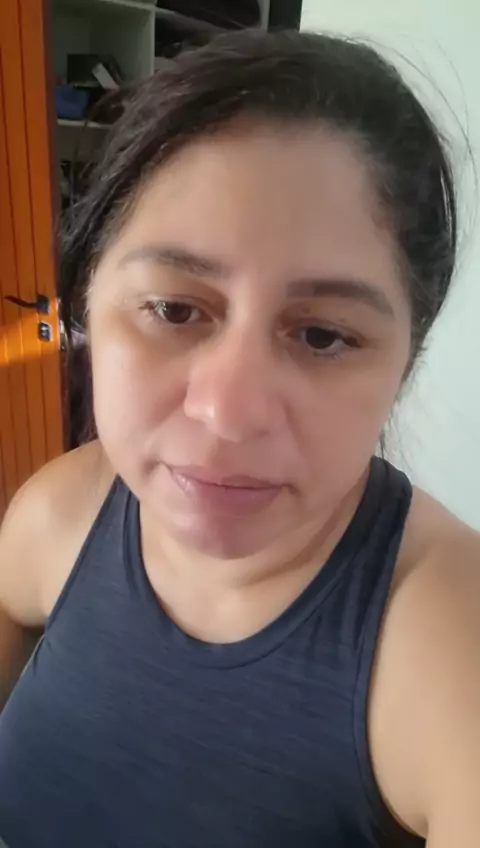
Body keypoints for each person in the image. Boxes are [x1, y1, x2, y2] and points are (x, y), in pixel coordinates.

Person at [0, 28, 478, 848]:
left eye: (322, 335)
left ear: (406, 360)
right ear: (88, 308)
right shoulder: (61, 512)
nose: (228, 413)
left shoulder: (447, 643)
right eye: (175, 309)